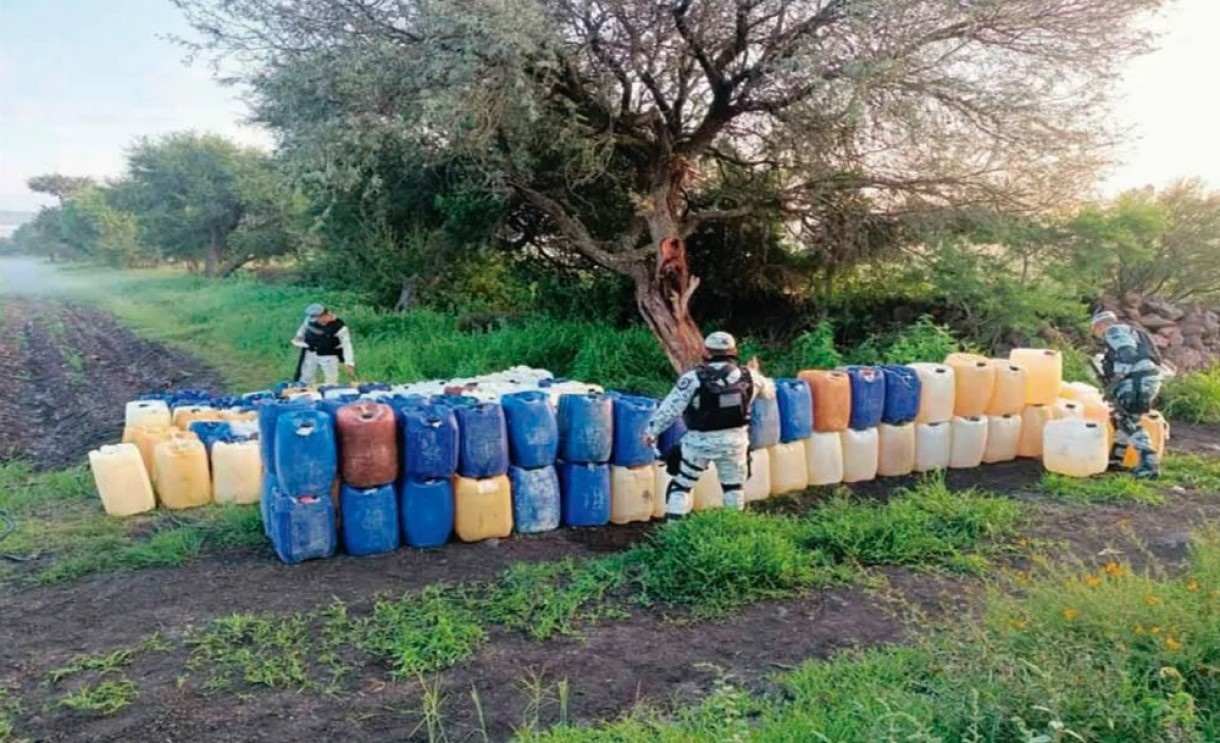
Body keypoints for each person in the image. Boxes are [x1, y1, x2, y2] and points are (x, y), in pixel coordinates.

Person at [643, 331, 776, 519]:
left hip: (699, 443)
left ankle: (673, 532)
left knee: (681, 485)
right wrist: (756, 371)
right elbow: (770, 392)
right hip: (735, 443)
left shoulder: (692, 378)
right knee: (733, 489)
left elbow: (671, 408)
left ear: (706, 351)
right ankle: (733, 529)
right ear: (734, 351)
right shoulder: (751, 377)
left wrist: (652, 431)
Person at [1091, 310, 1163, 479]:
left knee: (1127, 420)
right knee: (1121, 418)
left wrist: (1116, 380)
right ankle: (1116, 459)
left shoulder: (1114, 331)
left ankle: (1149, 464)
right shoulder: (1135, 332)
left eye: (1095, 329)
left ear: (1100, 325)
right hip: (1147, 379)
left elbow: (1127, 353)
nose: (1097, 334)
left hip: (1136, 381)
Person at [292, 303, 356, 386]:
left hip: (329, 355)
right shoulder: (309, 320)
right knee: (305, 380)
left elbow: (346, 345)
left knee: (331, 382)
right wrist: (299, 341)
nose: (315, 321)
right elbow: (301, 332)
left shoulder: (339, 327)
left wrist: (349, 362)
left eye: (317, 319)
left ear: (325, 315)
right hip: (311, 353)